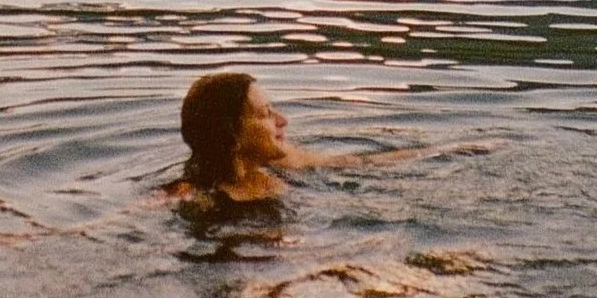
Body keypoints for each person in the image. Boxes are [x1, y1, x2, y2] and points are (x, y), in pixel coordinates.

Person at [167, 71, 417, 207]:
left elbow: (355, 163)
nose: (282, 120)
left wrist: (442, 150)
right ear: (232, 133)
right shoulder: (193, 194)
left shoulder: (279, 166)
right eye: (265, 113)